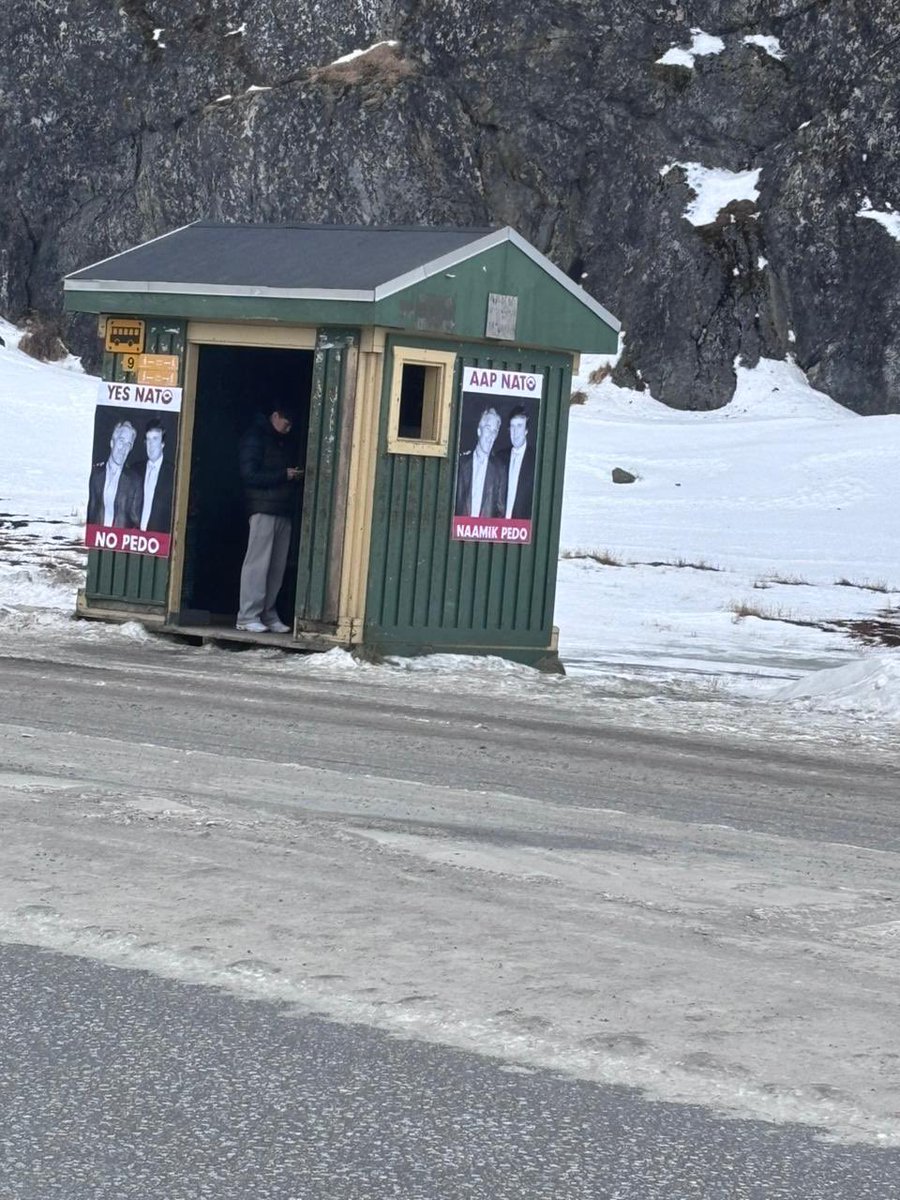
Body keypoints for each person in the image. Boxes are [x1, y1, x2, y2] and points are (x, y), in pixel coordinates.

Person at [236, 405, 303, 634]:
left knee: (276, 566)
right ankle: (247, 615)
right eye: (286, 422)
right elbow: (249, 475)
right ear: (275, 415)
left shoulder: (282, 440)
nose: (289, 427)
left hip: (281, 509)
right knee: (257, 564)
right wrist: (283, 475)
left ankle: (268, 613)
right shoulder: (255, 438)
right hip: (262, 508)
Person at [86, 419, 142, 528]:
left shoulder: (135, 482)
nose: (123, 449)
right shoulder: (95, 474)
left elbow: (136, 522)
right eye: (121, 441)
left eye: (128, 444)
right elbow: (89, 512)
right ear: (112, 442)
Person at [455, 406, 506, 518]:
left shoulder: (499, 470)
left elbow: (500, 513)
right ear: (479, 431)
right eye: (488, 429)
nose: (491, 436)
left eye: (495, 431)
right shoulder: (460, 464)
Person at [138, 418, 175, 533]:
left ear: (163, 443)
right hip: (133, 540)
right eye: (148, 439)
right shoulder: (136, 470)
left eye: (155, 439)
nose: (151, 444)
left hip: (159, 542)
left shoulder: (173, 474)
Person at [500, 406, 536, 520]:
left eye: (519, 426)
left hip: (523, 530)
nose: (515, 432)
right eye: (512, 426)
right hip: (498, 528)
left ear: (526, 430)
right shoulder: (500, 457)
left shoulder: (535, 460)